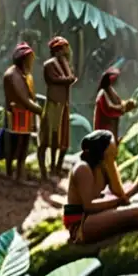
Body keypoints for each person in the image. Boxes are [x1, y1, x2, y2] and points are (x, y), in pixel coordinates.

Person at [64, 130, 138, 244]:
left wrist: (110, 164)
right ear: (101, 151)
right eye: (111, 150)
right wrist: (118, 202)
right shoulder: (82, 168)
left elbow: (119, 193)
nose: (115, 151)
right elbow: (89, 206)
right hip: (82, 225)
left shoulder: (103, 164)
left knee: (134, 194)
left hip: (94, 215)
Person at [39, 36, 77, 179]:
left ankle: (57, 167)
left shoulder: (64, 63)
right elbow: (56, 79)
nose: (68, 50)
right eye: (65, 47)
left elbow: (69, 77)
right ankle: (49, 168)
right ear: (58, 50)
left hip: (64, 103)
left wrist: (69, 76)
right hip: (54, 103)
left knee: (63, 138)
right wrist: (69, 79)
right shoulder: (50, 64)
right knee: (52, 136)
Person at [3, 42, 42, 181]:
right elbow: (23, 99)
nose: (32, 62)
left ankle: (20, 173)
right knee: (14, 144)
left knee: (24, 144)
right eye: (30, 59)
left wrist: (36, 108)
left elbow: (31, 96)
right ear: (22, 59)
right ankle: (10, 173)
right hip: (15, 115)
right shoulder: (12, 74)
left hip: (26, 115)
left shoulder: (27, 75)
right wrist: (40, 110)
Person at [93, 66, 136, 137]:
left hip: (112, 129)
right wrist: (124, 108)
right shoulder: (102, 93)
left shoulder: (111, 90)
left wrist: (128, 103)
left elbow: (119, 101)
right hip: (103, 131)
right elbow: (109, 108)